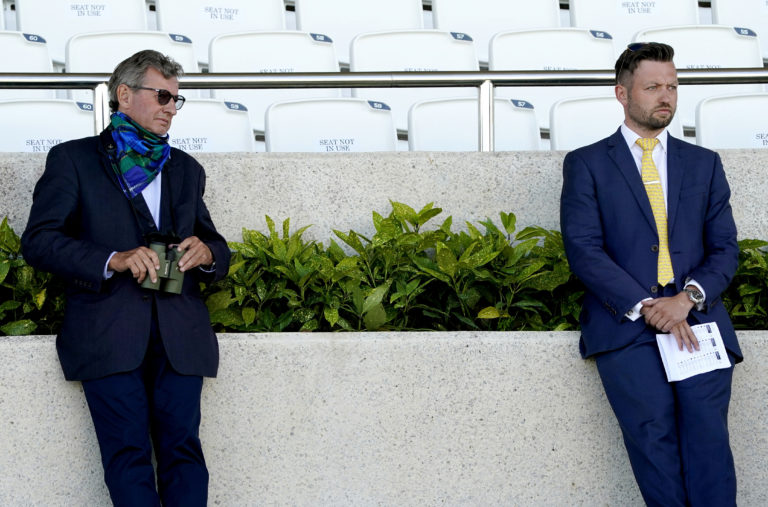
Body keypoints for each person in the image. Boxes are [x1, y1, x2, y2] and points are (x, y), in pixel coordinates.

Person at [22, 50, 230, 506]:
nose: (170, 108)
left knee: (184, 454)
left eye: (176, 99)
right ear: (124, 94)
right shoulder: (73, 160)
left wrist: (207, 252)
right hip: (108, 333)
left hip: (180, 335)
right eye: (161, 96)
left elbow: (218, 247)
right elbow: (38, 242)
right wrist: (112, 258)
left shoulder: (186, 169)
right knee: (128, 455)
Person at [560, 42, 741, 506]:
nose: (667, 96)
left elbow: (724, 248)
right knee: (652, 439)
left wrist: (686, 300)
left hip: (697, 321)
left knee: (708, 439)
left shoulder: (704, 164)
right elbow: (584, 249)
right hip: (626, 324)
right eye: (654, 86)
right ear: (622, 93)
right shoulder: (587, 164)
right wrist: (649, 307)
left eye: (673, 86)